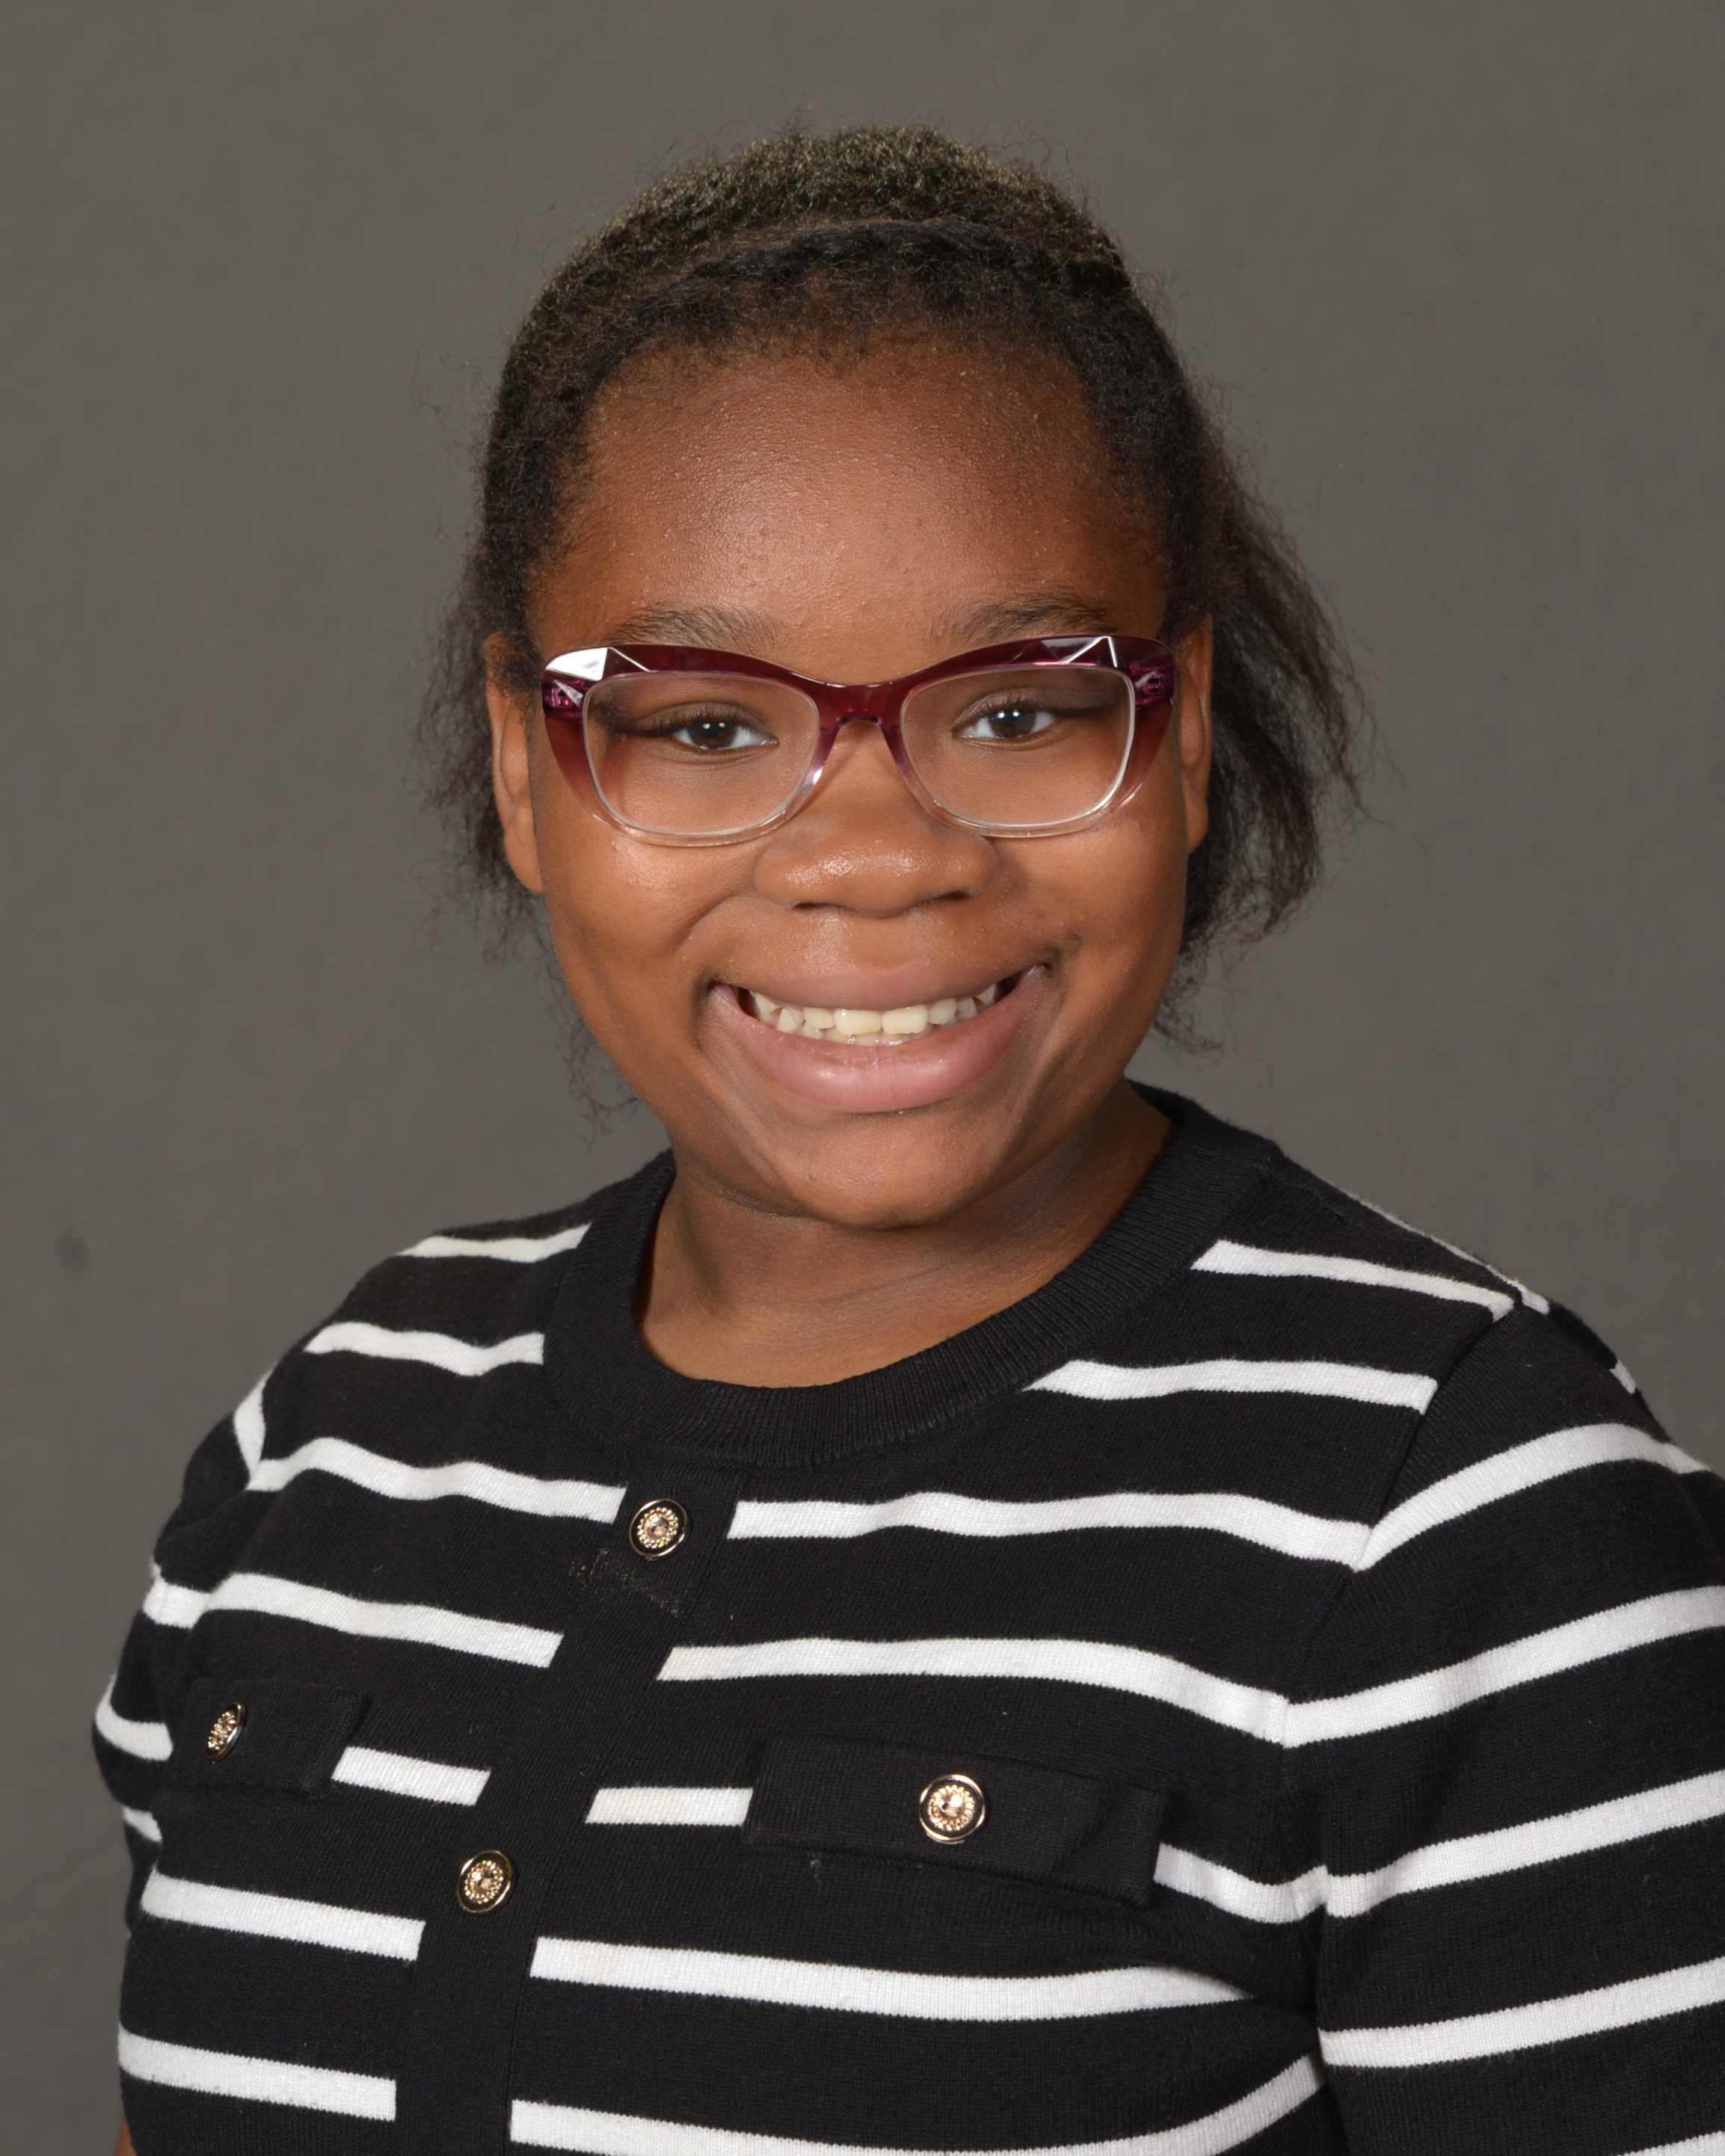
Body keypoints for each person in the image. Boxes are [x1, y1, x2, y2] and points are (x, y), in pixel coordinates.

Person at [97, 126, 1725, 2156]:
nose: (874, 854)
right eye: (703, 723)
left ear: (1180, 736)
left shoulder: (1464, 1521)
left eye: (1019, 709)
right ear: (526, 768)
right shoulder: (331, 1440)